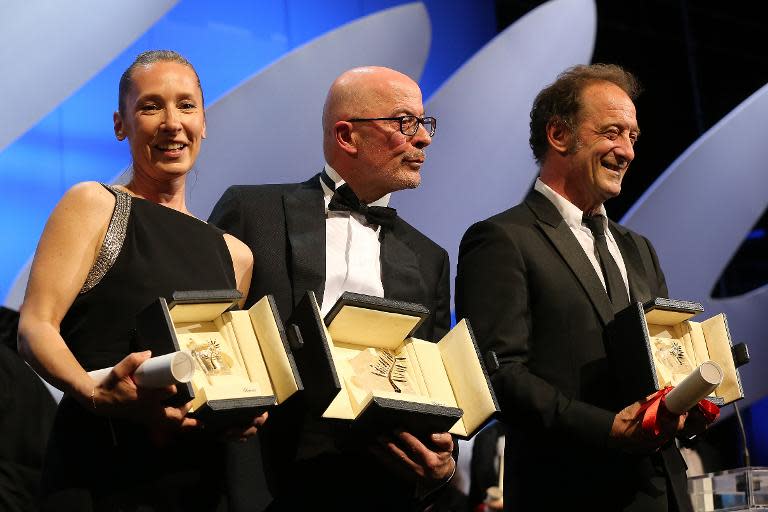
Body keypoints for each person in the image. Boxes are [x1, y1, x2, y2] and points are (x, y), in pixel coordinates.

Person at [17, 50, 266, 511]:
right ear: (121, 124)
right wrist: (94, 392)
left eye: (186, 105)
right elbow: (35, 328)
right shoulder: (95, 205)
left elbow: (216, 372)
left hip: (197, 483)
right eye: (151, 106)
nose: (172, 122)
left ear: (204, 122)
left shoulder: (235, 254)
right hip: (99, 472)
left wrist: (238, 413)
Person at [455, 64, 701, 511]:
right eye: (612, 132)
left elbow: (660, 358)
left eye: (632, 136)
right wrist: (607, 428)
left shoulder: (638, 248)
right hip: (570, 490)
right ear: (559, 135)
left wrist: (685, 399)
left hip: (663, 492)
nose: (626, 150)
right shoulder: (502, 239)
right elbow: (500, 373)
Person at [209, 66, 455, 511]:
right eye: (405, 123)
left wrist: (442, 467)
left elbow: (428, 389)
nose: (424, 139)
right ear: (347, 136)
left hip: (373, 484)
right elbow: (208, 336)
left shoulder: (429, 258)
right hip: (262, 477)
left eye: (424, 123)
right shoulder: (253, 212)